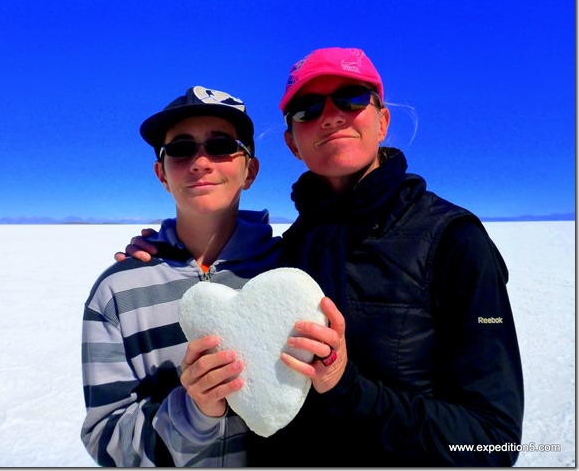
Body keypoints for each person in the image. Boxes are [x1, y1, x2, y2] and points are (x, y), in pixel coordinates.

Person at [115, 47, 524, 466]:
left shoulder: (453, 242)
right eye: (308, 108)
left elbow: (493, 441)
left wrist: (348, 386)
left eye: (350, 97)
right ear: (292, 142)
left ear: (382, 121)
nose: (330, 116)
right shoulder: (285, 253)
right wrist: (166, 249)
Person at [81, 86, 288, 466]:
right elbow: (104, 437)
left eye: (221, 145)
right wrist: (192, 412)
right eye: (180, 149)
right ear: (162, 173)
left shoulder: (289, 272)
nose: (200, 162)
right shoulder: (119, 291)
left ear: (250, 170)